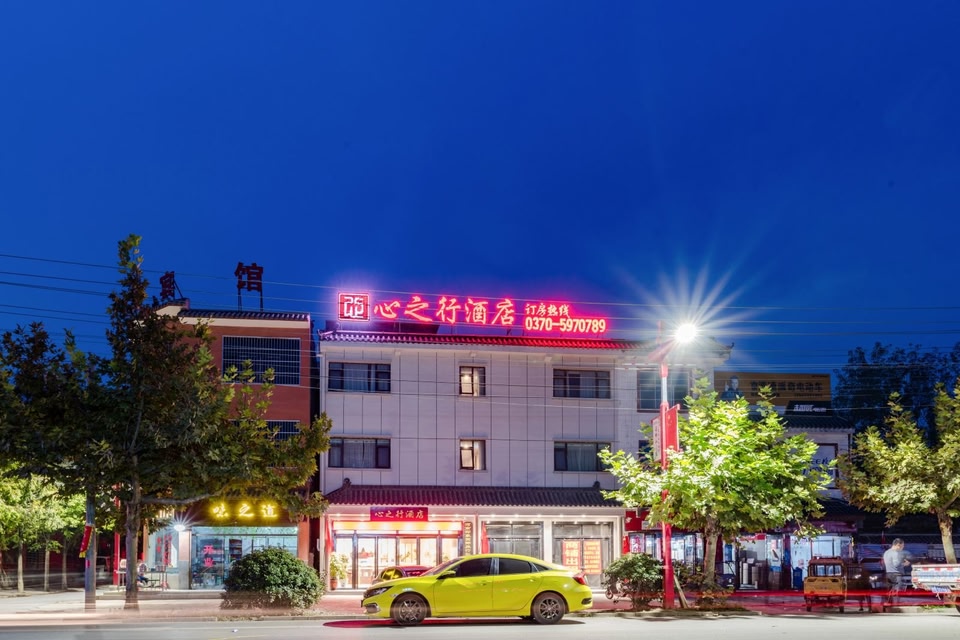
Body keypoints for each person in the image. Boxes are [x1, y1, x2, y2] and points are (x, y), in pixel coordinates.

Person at [882, 538, 910, 604]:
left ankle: (889, 603)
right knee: (898, 590)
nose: (903, 548)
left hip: (888, 573)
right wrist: (905, 564)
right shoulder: (895, 553)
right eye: (902, 546)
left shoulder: (886, 552)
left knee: (890, 590)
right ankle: (897, 603)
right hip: (896, 574)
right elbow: (896, 564)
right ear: (898, 545)